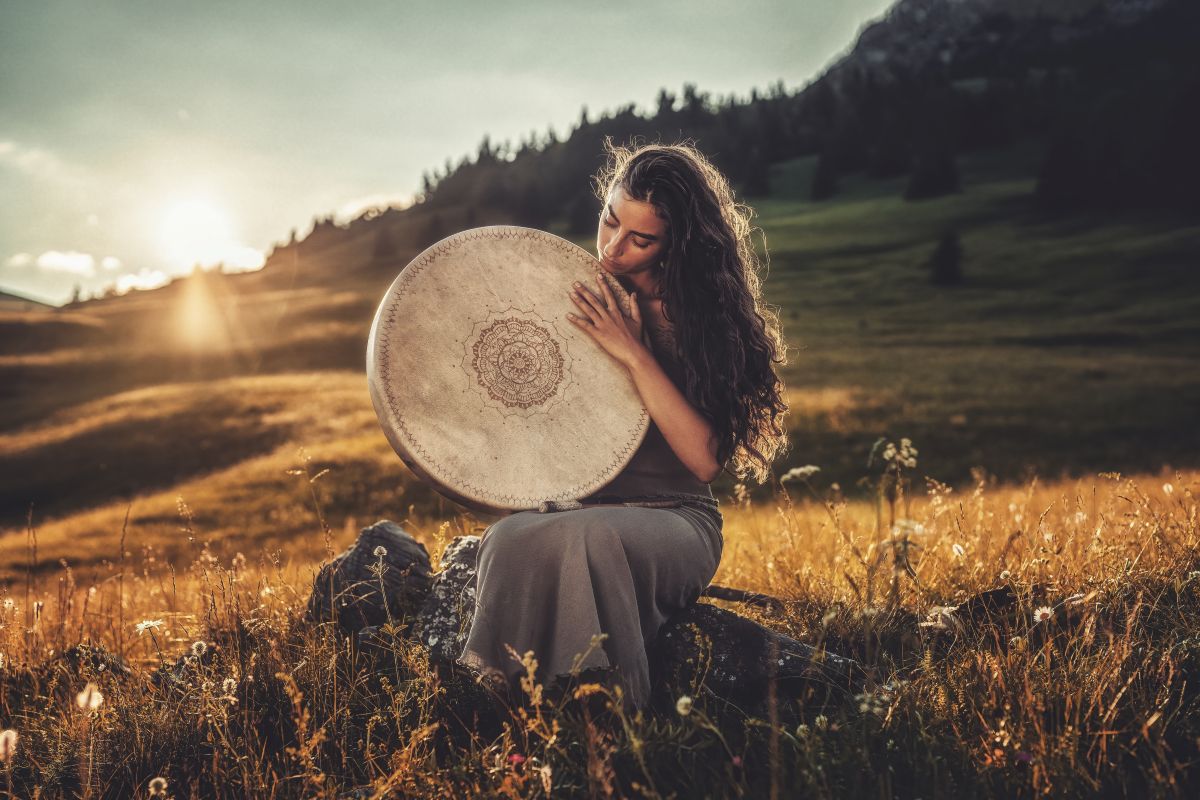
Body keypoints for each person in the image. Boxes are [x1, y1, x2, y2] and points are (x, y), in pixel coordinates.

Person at [457, 139, 790, 710]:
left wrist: (634, 353)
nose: (612, 249)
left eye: (640, 239)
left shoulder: (705, 323)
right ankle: (510, 712)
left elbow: (706, 460)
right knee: (508, 537)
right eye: (609, 222)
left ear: (679, 244)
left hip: (674, 521)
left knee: (593, 538)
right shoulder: (582, 294)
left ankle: (607, 717)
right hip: (584, 508)